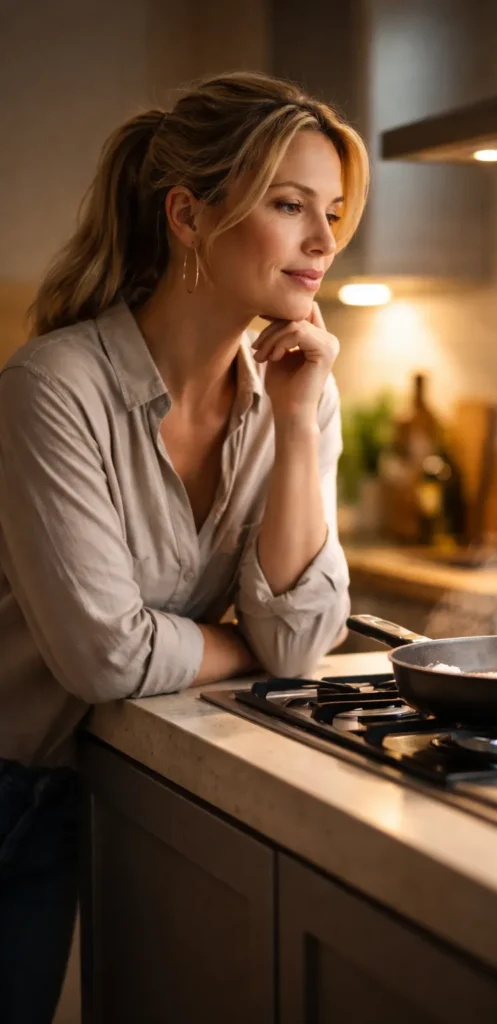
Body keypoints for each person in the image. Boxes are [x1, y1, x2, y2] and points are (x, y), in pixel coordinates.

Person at [0, 70, 369, 1022]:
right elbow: (105, 652)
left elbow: (296, 644)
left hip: (103, 788)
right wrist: (244, 638)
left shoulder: (302, 387)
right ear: (188, 215)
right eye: (289, 206)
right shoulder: (53, 388)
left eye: (330, 211)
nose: (323, 241)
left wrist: (293, 425)